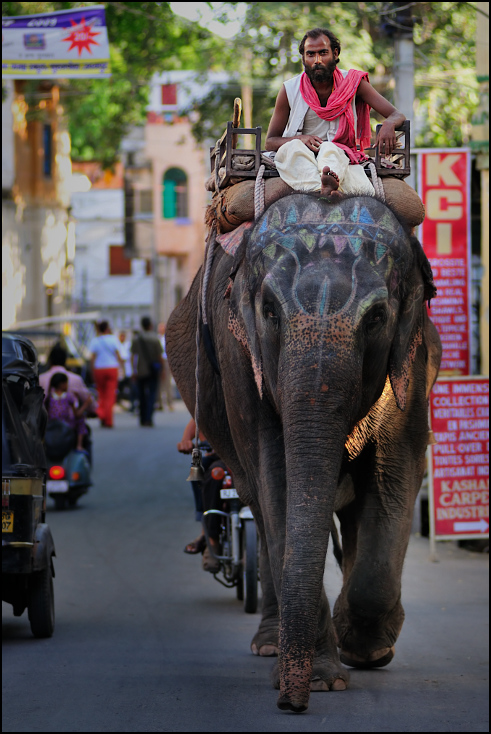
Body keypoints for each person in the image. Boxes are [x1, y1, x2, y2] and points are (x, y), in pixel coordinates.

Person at [265, 27, 406, 198]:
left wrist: (389, 123)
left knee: (329, 148)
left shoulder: (353, 83)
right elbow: (270, 142)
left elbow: (397, 114)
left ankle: (327, 183)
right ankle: (322, 189)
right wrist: (300, 139)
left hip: (337, 152)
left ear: (335, 54)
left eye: (323, 53)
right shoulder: (289, 89)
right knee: (292, 148)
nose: (317, 60)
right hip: (300, 155)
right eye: (310, 54)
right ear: (303, 57)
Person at [177, 417, 226, 573]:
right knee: (196, 465)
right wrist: (186, 440)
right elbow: (198, 416)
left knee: (213, 472)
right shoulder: (210, 397)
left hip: (241, 455)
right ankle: (207, 533)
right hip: (214, 454)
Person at [89, 321, 123, 428]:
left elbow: (92, 358)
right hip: (112, 368)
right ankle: (108, 419)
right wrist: (122, 368)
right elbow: (118, 355)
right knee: (110, 394)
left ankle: (102, 413)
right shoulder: (113, 339)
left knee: (101, 393)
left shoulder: (95, 341)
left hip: (99, 369)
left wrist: (92, 370)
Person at [44, 372, 91, 452]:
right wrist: (86, 404)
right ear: (61, 384)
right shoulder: (68, 396)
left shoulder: (49, 397)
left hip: (51, 424)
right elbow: (76, 414)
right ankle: (79, 445)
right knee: (81, 420)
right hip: (65, 423)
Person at [131, 316, 164, 427]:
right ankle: (149, 419)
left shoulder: (136, 339)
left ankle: (142, 418)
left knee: (141, 396)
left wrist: (133, 370)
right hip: (152, 370)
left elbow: (133, 356)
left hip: (140, 370)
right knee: (151, 395)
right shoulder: (155, 339)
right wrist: (162, 370)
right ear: (150, 325)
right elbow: (160, 356)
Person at [117, 331, 136, 412]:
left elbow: (130, 356)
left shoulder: (128, 345)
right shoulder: (117, 345)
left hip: (128, 369)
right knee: (119, 388)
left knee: (131, 387)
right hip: (120, 370)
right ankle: (119, 403)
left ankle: (132, 404)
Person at [157, 322, 174, 412]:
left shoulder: (167, 338)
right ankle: (159, 403)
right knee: (159, 383)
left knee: (167, 383)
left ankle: (170, 402)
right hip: (159, 361)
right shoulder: (157, 338)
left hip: (166, 360)